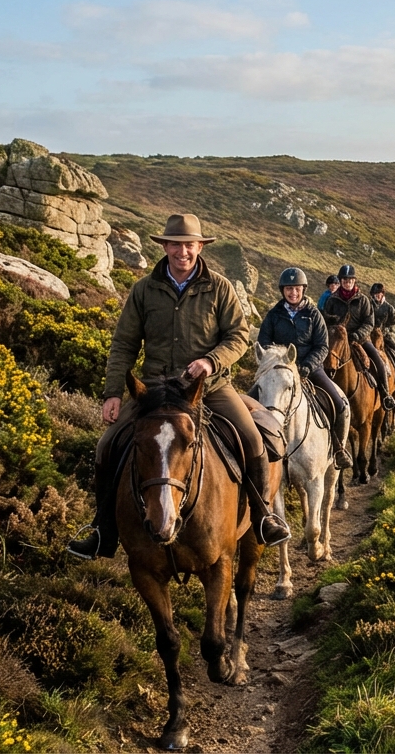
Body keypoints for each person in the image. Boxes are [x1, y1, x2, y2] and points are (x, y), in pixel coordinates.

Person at [67, 214, 292, 560]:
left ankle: (264, 518)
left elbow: (239, 336)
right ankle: (103, 531)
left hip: (210, 388)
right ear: (165, 246)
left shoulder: (220, 288)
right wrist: (113, 392)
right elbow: (123, 343)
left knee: (252, 438)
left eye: (189, 245)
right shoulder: (143, 289)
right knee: (106, 446)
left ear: (200, 247)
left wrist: (210, 362)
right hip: (155, 392)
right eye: (175, 244)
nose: (182, 251)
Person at [258, 268, 354, 470]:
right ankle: (254, 454)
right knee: (249, 406)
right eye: (289, 289)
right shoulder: (274, 315)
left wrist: (307, 367)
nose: (293, 293)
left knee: (340, 405)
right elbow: (264, 341)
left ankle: (338, 449)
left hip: (309, 369)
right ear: (283, 290)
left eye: (297, 289)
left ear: (303, 289)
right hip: (279, 371)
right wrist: (275, 362)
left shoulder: (313, 315)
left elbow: (322, 346)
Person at [320, 264, 395, 410]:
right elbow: (325, 320)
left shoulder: (363, 300)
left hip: (360, 339)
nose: (347, 283)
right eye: (344, 280)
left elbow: (369, 323)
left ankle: (385, 395)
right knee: (322, 360)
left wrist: (357, 335)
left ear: (354, 281)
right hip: (337, 340)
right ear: (341, 281)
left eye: (350, 280)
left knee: (377, 360)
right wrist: (333, 326)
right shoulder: (332, 300)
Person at [368, 283, 395, 392]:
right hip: (369, 335)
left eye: (379, 293)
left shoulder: (389, 308)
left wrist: (387, 330)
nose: (377, 296)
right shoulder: (368, 305)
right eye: (375, 294)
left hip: (385, 336)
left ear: (383, 294)